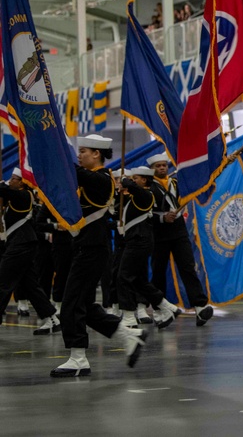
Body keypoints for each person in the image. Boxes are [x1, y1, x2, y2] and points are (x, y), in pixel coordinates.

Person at [52, 135, 145, 378]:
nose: (80, 155)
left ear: (97, 154)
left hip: (92, 250)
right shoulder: (93, 179)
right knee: (84, 304)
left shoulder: (102, 179)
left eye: (83, 151)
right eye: (79, 151)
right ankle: (129, 335)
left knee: (71, 303)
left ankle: (78, 357)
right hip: (87, 248)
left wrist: (54, 149)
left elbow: (74, 172)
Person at [147, 153, 214, 326]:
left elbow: (192, 190)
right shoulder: (147, 187)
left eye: (164, 165)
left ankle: (199, 306)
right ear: (152, 169)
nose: (162, 168)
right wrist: (162, 218)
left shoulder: (176, 183)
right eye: (158, 166)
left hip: (179, 232)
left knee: (187, 267)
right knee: (159, 272)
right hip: (159, 234)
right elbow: (144, 213)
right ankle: (160, 309)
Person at [116, 166, 179, 330]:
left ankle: (129, 316)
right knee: (138, 280)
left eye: (135, 178)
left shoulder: (146, 195)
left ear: (144, 180)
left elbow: (134, 188)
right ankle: (167, 307)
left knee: (124, 277)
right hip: (136, 241)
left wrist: (125, 181)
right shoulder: (134, 197)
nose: (133, 180)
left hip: (139, 241)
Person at [0, 168, 61, 335]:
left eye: (13, 179)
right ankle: (51, 319)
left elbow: (3, 189)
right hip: (22, 244)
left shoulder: (24, 196)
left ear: (22, 183)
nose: (9, 181)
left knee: (3, 282)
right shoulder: (14, 198)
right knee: (31, 286)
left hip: (21, 246)